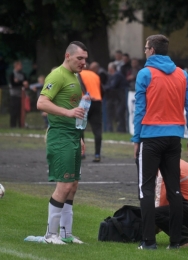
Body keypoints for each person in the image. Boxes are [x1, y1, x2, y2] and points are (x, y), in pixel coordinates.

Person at [131, 34, 188, 250]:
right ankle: (176, 242)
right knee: (174, 190)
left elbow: (139, 109)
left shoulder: (145, 74)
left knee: (146, 190)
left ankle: (148, 242)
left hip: (150, 139)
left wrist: (136, 139)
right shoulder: (181, 74)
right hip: (174, 139)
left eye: (145, 48)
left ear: (151, 50)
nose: (144, 51)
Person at [37, 41, 88, 244]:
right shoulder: (57, 75)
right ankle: (50, 235)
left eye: (85, 58)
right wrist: (67, 113)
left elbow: (74, 107)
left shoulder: (74, 76)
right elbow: (41, 102)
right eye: (79, 58)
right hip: (60, 136)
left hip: (73, 135)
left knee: (73, 185)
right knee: (64, 185)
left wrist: (81, 136)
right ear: (68, 56)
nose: (83, 62)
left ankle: (66, 234)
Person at [80, 63, 103, 162]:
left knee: (80, 128)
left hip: (84, 101)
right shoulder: (95, 76)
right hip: (97, 101)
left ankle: (82, 153)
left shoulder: (78, 74)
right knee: (97, 129)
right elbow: (102, 90)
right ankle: (97, 154)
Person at [105, 62, 128, 132]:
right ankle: (112, 129)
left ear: (111, 69)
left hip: (120, 97)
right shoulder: (111, 76)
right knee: (114, 113)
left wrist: (105, 88)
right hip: (115, 97)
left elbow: (112, 85)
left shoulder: (117, 75)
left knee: (119, 113)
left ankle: (121, 129)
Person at [9, 60, 29, 127]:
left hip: (22, 95)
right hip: (14, 95)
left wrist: (19, 82)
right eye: (20, 65)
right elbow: (13, 84)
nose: (21, 67)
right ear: (16, 66)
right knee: (14, 110)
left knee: (21, 111)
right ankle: (13, 125)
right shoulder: (12, 74)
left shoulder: (23, 74)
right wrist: (21, 83)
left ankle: (21, 125)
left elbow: (26, 83)